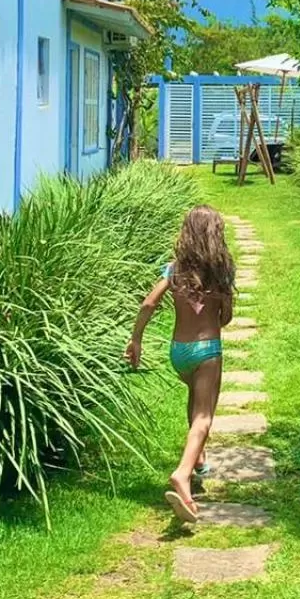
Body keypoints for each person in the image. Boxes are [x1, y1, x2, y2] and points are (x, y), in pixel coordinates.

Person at [125, 205, 235, 522]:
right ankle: (182, 473)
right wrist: (217, 305)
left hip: (178, 352)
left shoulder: (173, 270)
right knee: (204, 417)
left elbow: (149, 303)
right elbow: (225, 318)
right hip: (207, 350)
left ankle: (198, 458)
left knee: (193, 397)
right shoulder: (222, 271)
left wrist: (136, 340)